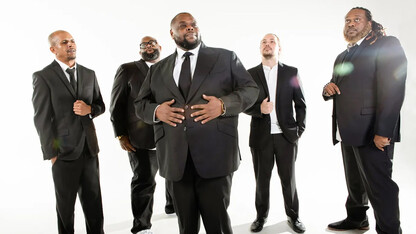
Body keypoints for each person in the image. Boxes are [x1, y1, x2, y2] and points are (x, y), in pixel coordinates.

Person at [135, 12, 259, 234]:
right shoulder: (157, 69)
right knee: (186, 227)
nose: (190, 28)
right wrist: (157, 111)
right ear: (172, 33)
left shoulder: (225, 57)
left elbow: (251, 90)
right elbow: (140, 104)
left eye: (193, 24)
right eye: (183, 26)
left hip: (216, 155)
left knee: (217, 225)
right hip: (175, 159)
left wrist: (223, 105)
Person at [323, 7, 407, 234]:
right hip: (347, 129)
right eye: (347, 20)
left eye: (357, 19)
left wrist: (384, 131)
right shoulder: (343, 55)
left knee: (380, 187)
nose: (351, 23)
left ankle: (390, 230)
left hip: (373, 131)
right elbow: (335, 84)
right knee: (355, 182)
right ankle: (357, 218)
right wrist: (326, 89)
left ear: (369, 23)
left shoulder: (386, 44)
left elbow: (393, 89)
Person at [32, 30, 105, 234]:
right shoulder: (43, 77)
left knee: (94, 202)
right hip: (63, 153)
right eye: (65, 42)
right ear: (53, 49)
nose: (71, 45)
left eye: (72, 41)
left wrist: (90, 109)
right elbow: (42, 119)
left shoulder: (89, 74)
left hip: (89, 149)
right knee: (65, 207)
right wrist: (51, 153)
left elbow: (100, 105)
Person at [110, 36, 174, 234]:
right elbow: (116, 105)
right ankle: (142, 226)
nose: (149, 46)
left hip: (170, 133)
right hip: (139, 138)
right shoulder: (127, 69)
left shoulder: (170, 68)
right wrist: (121, 134)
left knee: (175, 174)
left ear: (160, 47)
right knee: (144, 180)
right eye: (144, 44)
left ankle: (172, 206)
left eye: (153, 43)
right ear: (140, 50)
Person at [244, 34, 306, 233]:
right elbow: (243, 105)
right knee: (261, 180)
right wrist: (258, 110)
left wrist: (298, 130)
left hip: (286, 137)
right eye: (263, 42)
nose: (267, 44)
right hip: (260, 137)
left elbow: (301, 104)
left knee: (289, 179)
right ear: (260, 47)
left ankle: (293, 217)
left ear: (280, 48)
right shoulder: (249, 74)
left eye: (272, 42)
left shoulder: (291, 72)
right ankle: (260, 217)